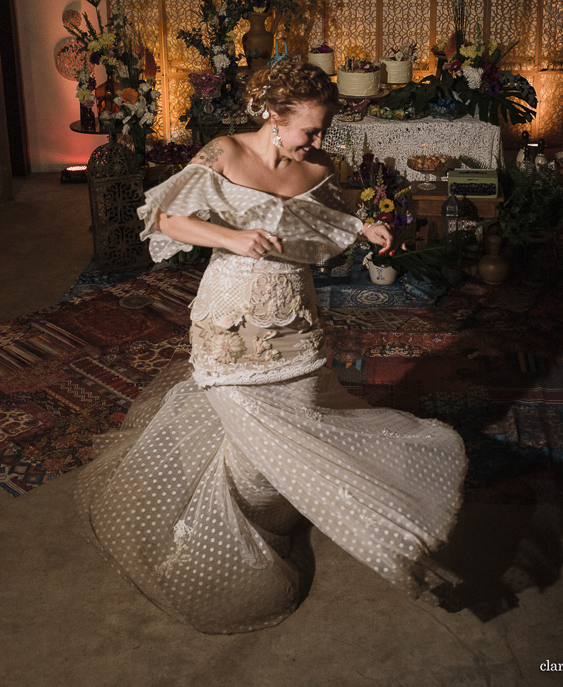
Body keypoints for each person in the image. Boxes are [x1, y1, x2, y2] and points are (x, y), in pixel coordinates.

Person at [74, 59, 467, 634]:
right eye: (310, 128)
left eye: (324, 128)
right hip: (231, 319)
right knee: (253, 422)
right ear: (274, 116)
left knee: (302, 416)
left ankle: (274, 511)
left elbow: (326, 214)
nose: (319, 139)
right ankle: (238, 536)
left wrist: (364, 228)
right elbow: (166, 218)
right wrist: (232, 236)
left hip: (296, 318)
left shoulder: (317, 165)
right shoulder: (224, 154)